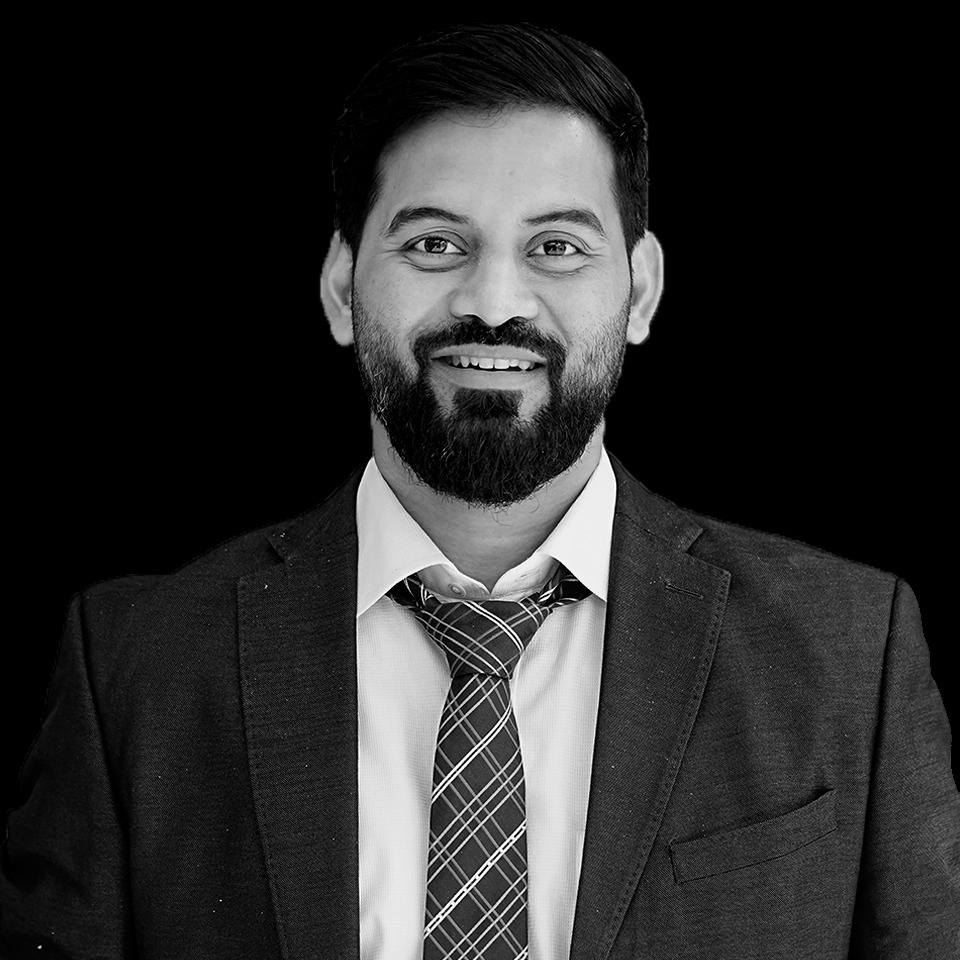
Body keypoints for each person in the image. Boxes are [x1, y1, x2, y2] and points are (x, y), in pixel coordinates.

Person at [2, 20, 956, 960]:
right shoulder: (135, 672)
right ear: (340, 287)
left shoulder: (849, 654)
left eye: (557, 247)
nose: (494, 302)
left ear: (641, 290)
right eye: (433, 244)